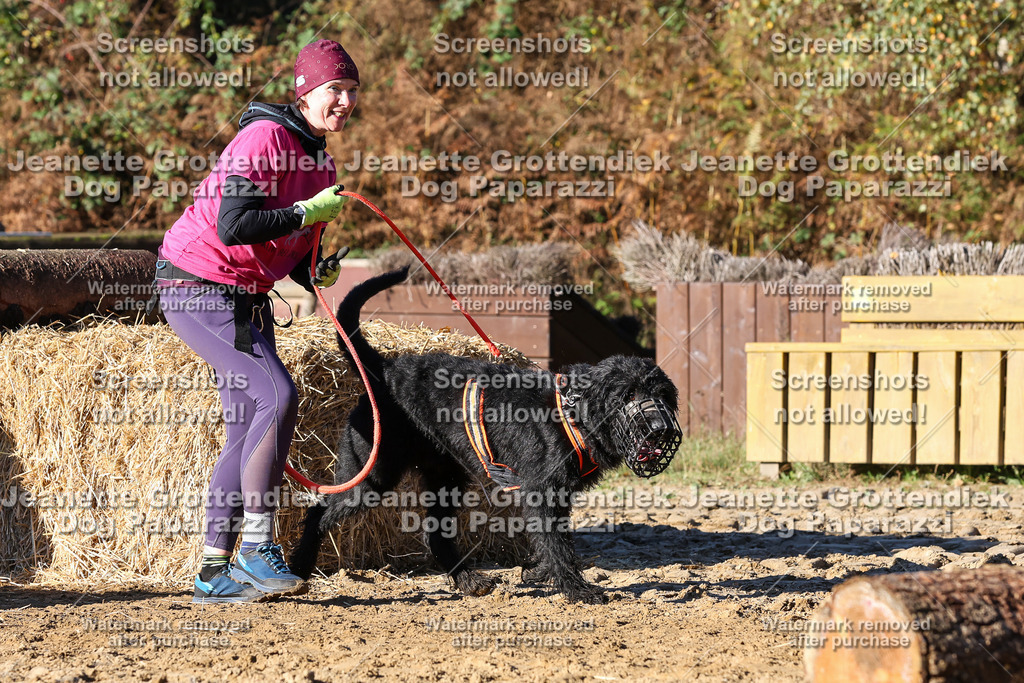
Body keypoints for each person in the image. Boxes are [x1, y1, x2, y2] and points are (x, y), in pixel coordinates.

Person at [153, 39, 359, 603]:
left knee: (247, 422)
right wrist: (301, 214)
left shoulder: (323, 162)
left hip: (246, 296)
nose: (343, 101)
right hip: (197, 284)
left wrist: (315, 264)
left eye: (350, 92)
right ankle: (256, 550)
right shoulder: (263, 137)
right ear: (305, 91)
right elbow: (233, 224)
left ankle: (212, 572)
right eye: (333, 90)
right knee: (277, 396)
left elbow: (292, 253)